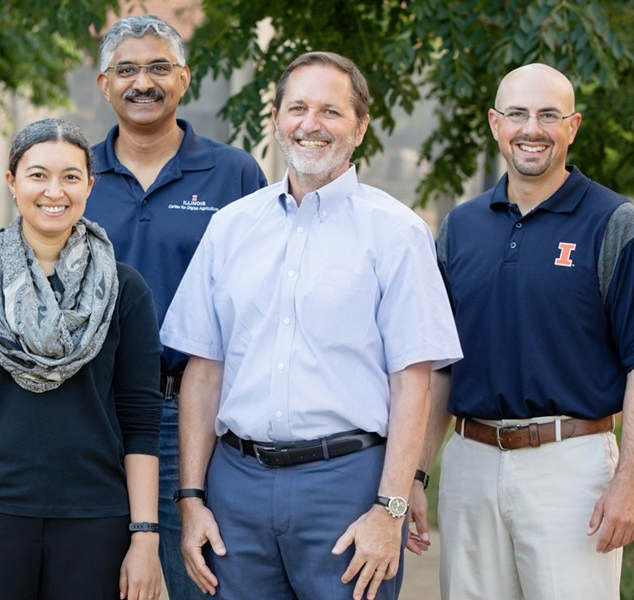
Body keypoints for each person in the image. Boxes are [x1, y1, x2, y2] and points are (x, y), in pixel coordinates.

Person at [159, 51, 462, 600]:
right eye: (297, 107)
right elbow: (203, 371)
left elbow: (413, 382)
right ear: (276, 117)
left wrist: (389, 509)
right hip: (236, 490)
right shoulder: (230, 228)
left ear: (361, 126)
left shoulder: (396, 234)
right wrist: (191, 498)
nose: (311, 124)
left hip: (346, 486)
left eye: (330, 110)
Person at [410, 63, 634, 600]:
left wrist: (629, 483)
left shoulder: (615, 224)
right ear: (495, 124)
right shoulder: (460, 228)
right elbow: (439, 367)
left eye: (549, 115)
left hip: (570, 467)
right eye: (518, 114)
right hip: (470, 463)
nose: (532, 129)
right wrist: (416, 474)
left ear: (572, 126)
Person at [0, 118, 164, 600]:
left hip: (97, 521)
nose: (55, 191)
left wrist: (145, 538)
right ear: (11, 182)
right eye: (37, 175)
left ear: (90, 186)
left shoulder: (125, 289)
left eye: (71, 176)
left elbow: (141, 422)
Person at [86, 14, 268, 599]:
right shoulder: (74, 173)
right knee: (90, 576)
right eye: (128, 70)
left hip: (190, 413)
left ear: (184, 79)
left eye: (159, 67)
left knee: (200, 579)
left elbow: (262, 298)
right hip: (90, 410)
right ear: (104, 83)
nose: (144, 82)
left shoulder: (234, 174)